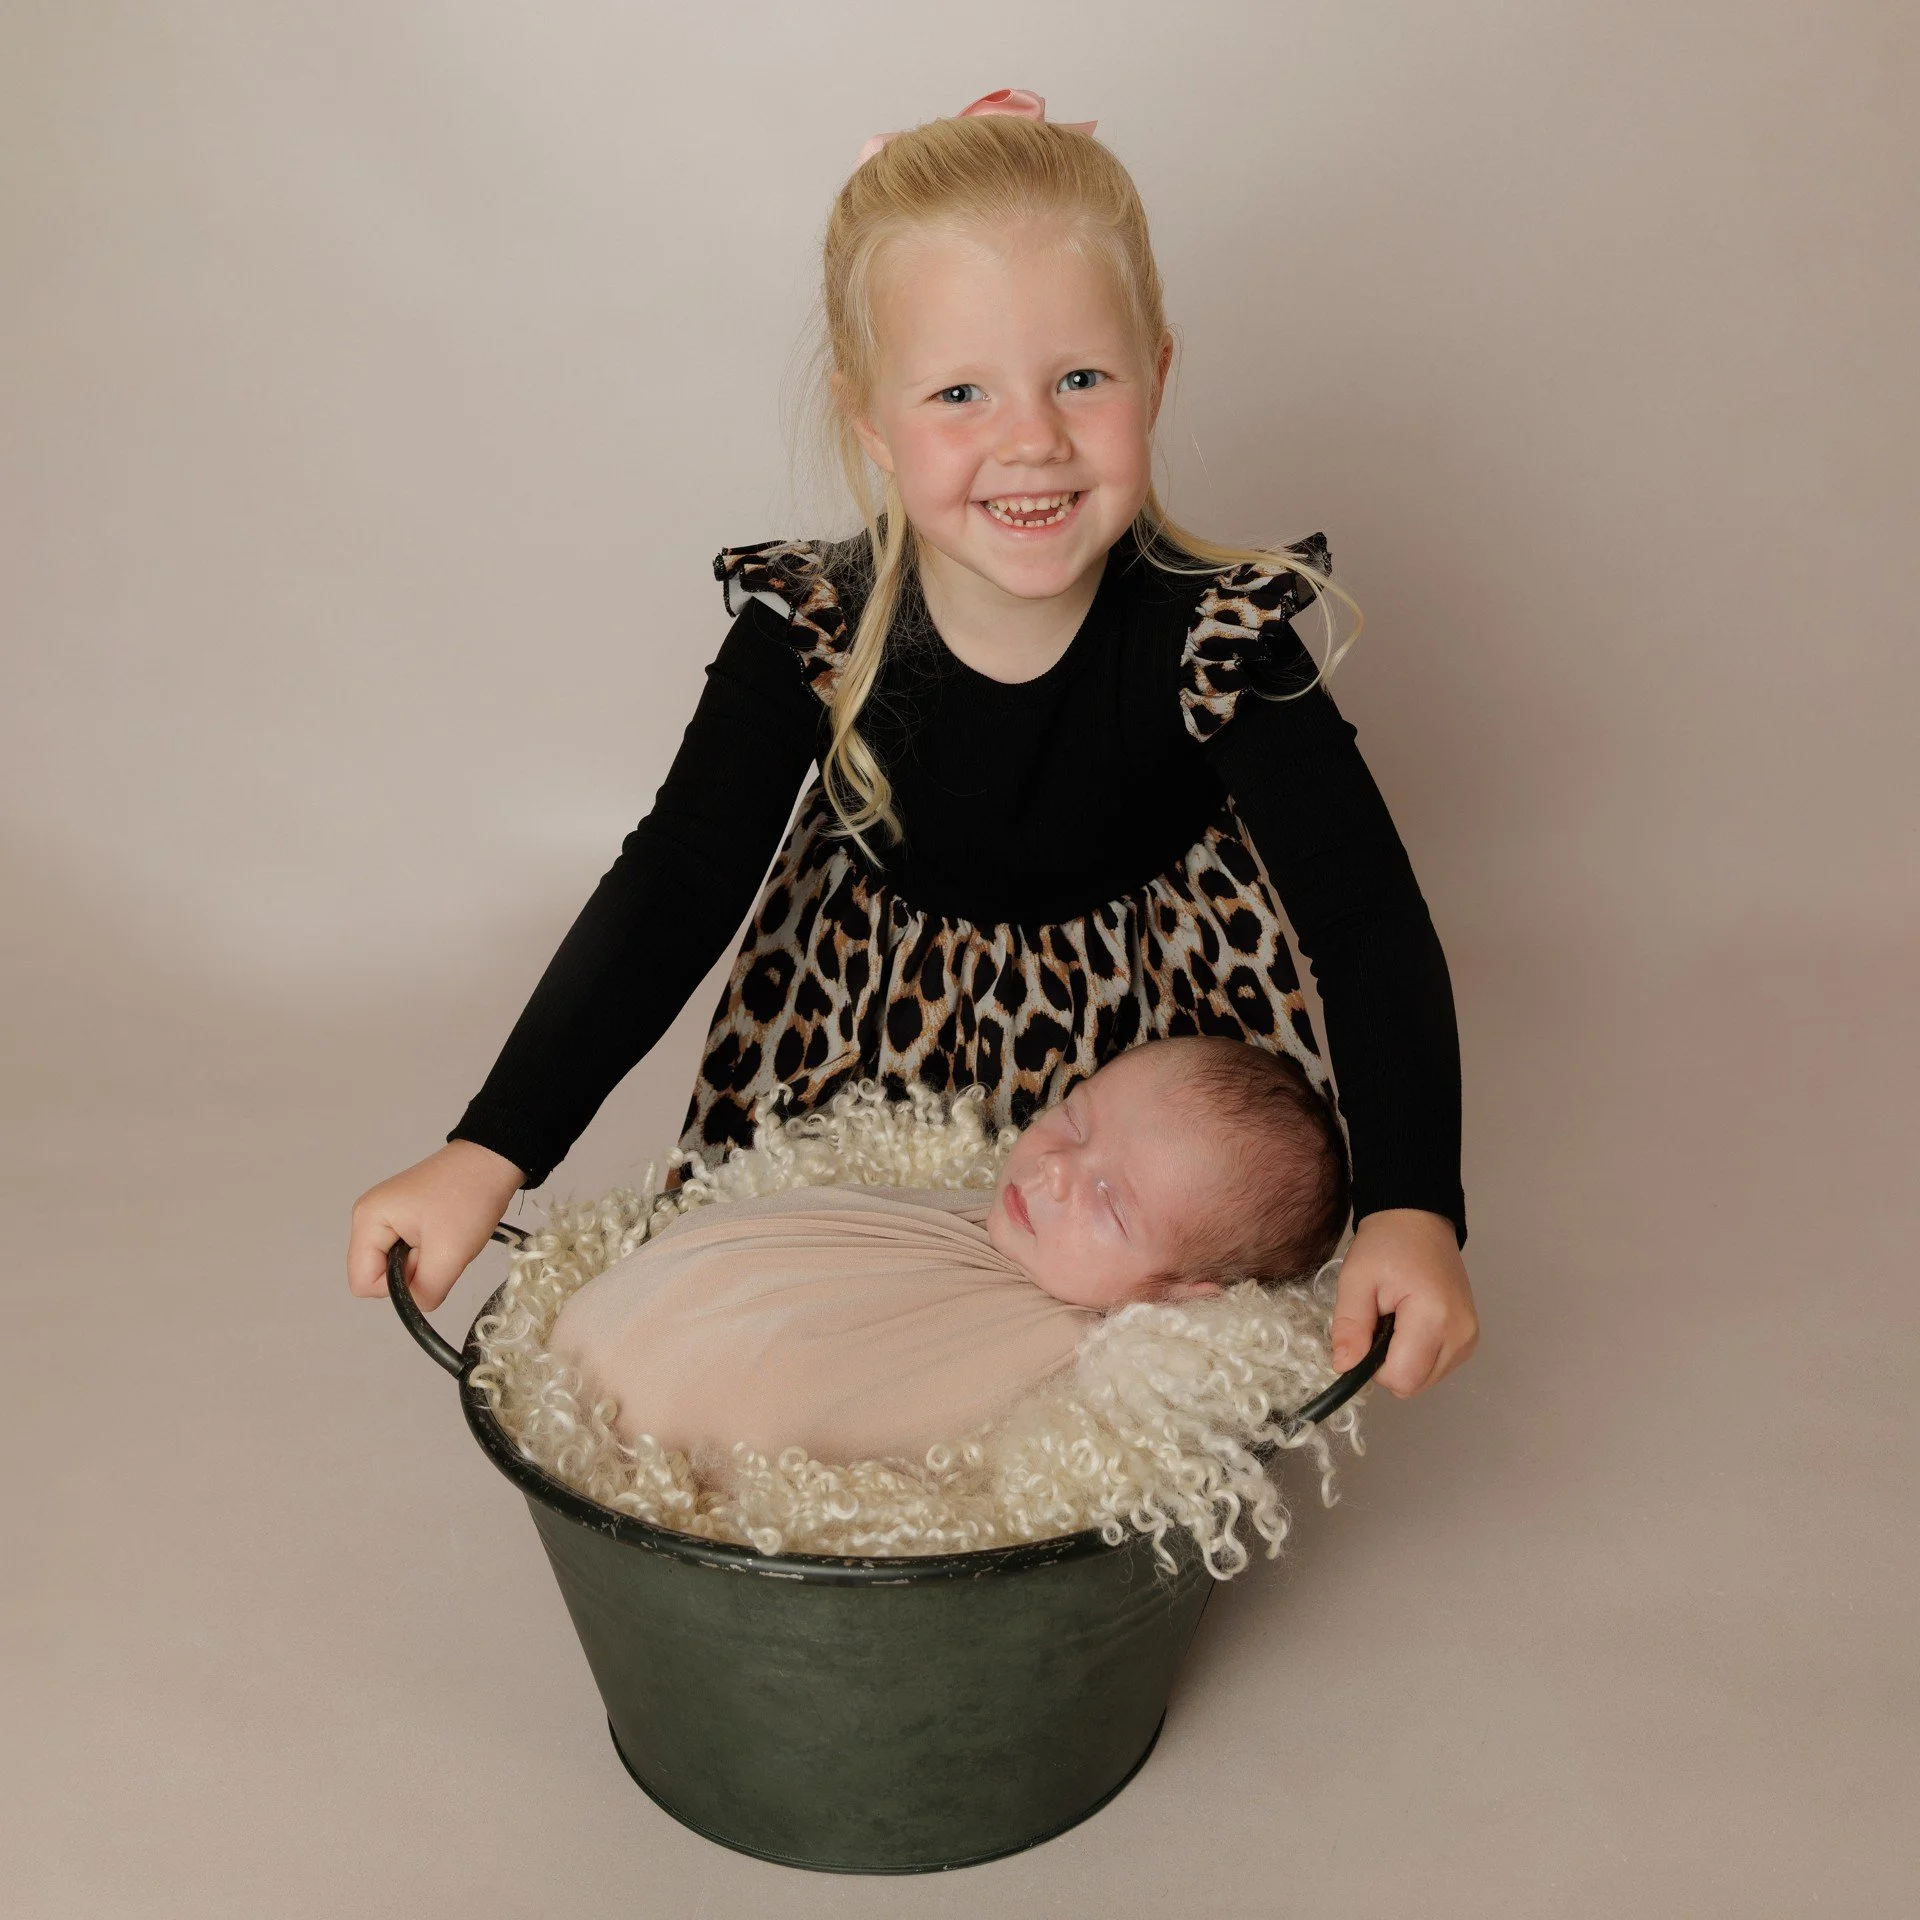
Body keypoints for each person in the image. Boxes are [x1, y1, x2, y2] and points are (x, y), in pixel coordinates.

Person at [347, 88, 1479, 1402]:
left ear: (1157, 374)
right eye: (958, 392)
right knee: (808, 1344)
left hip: (1141, 1076)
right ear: (871, 422)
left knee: (1125, 1365)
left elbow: (1363, 916)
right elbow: (677, 880)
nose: (1031, 438)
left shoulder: (1217, 639)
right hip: (866, 1044)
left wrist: (1414, 1204)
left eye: (1081, 378)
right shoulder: (814, 633)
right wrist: (492, 1147)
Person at [544, 1035, 1348, 1470]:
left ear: (1184, 1297)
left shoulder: (1074, 1365)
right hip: (599, 1361)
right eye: (1073, 1118)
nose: (1055, 1169)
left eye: (1110, 1201)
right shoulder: (955, 1210)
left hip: (644, 1416)